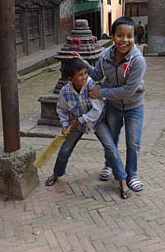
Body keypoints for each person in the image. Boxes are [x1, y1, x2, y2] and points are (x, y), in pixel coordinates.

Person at [73, 16, 146, 193]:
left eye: (129, 36)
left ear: (134, 38)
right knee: (111, 140)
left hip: (134, 108)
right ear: (112, 36)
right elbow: (97, 74)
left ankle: (132, 175)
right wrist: (83, 63)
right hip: (113, 107)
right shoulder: (106, 55)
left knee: (133, 143)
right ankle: (109, 165)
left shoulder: (137, 60)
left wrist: (101, 93)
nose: (125, 40)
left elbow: (128, 90)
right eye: (120, 35)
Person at [45, 58, 131, 199]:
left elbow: (97, 111)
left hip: (96, 123)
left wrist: (78, 120)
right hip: (76, 125)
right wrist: (65, 124)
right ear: (71, 78)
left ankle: (122, 180)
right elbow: (61, 108)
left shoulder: (91, 86)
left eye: (86, 72)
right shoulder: (65, 92)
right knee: (64, 150)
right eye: (80, 75)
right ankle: (56, 173)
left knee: (110, 148)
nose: (85, 76)